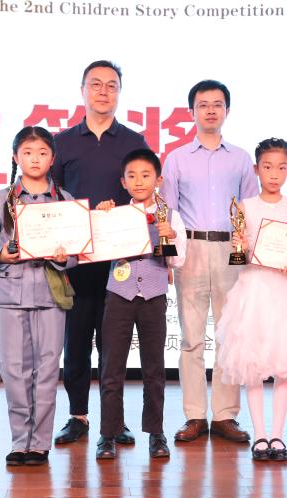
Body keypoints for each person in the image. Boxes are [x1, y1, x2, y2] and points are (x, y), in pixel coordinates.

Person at [50, 60, 149, 445]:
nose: (104, 91)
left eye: (111, 85)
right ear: (83, 91)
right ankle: (78, 416)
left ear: (119, 92)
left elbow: (146, 197)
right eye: (96, 84)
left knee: (115, 345)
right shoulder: (62, 143)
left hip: (121, 260)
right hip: (76, 261)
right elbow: (54, 200)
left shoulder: (134, 142)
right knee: (75, 343)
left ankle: (114, 420)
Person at [0, 126, 76, 466]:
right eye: (28, 153)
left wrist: (64, 258)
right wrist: (0, 253)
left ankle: (40, 444)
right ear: (16, 157)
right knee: (13, 369)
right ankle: (20, 441)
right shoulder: (1, 199)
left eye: (42, 153)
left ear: (52, 158)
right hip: (9, 292)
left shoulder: (65, 200)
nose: (35, 159)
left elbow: (78, 249)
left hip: (50, 292)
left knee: (47, 369)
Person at [161, 79, 259, 443]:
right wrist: (168, 258)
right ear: (192, 112)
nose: (211, 110)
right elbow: (167, 213)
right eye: (203, 105)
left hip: (231, 250)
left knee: (229, 335)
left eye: (217, 104)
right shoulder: (176, 158)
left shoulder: (241, 158)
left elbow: (250, 210)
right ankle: (194, 415)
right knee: (191, 337)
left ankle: (225, 415)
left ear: (227, 111)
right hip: (191, 249)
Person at [216, 138, 287, 461]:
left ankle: (278, 435)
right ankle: (260, 435)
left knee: (285, 365)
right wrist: (241, 246)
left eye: (281, 167)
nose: (274, 174)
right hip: (255, 289)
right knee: (253, 364)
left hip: (286, 291)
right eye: (268, 167)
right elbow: (240, 255)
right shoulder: (244, 207)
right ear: (256, 169)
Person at [94, 148, 187, 460]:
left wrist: (170, 237)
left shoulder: (171, 216)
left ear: (158, 180)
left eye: (146, 175)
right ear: (123, 182)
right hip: (118, 295)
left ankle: (156, 433)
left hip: (153, 297)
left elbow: (179, 261)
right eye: (131, 176)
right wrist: (102, 218)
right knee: (111, 367)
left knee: (154, 369)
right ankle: (108, 434)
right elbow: (95, 247)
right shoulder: (115, 214)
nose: (138, 181)